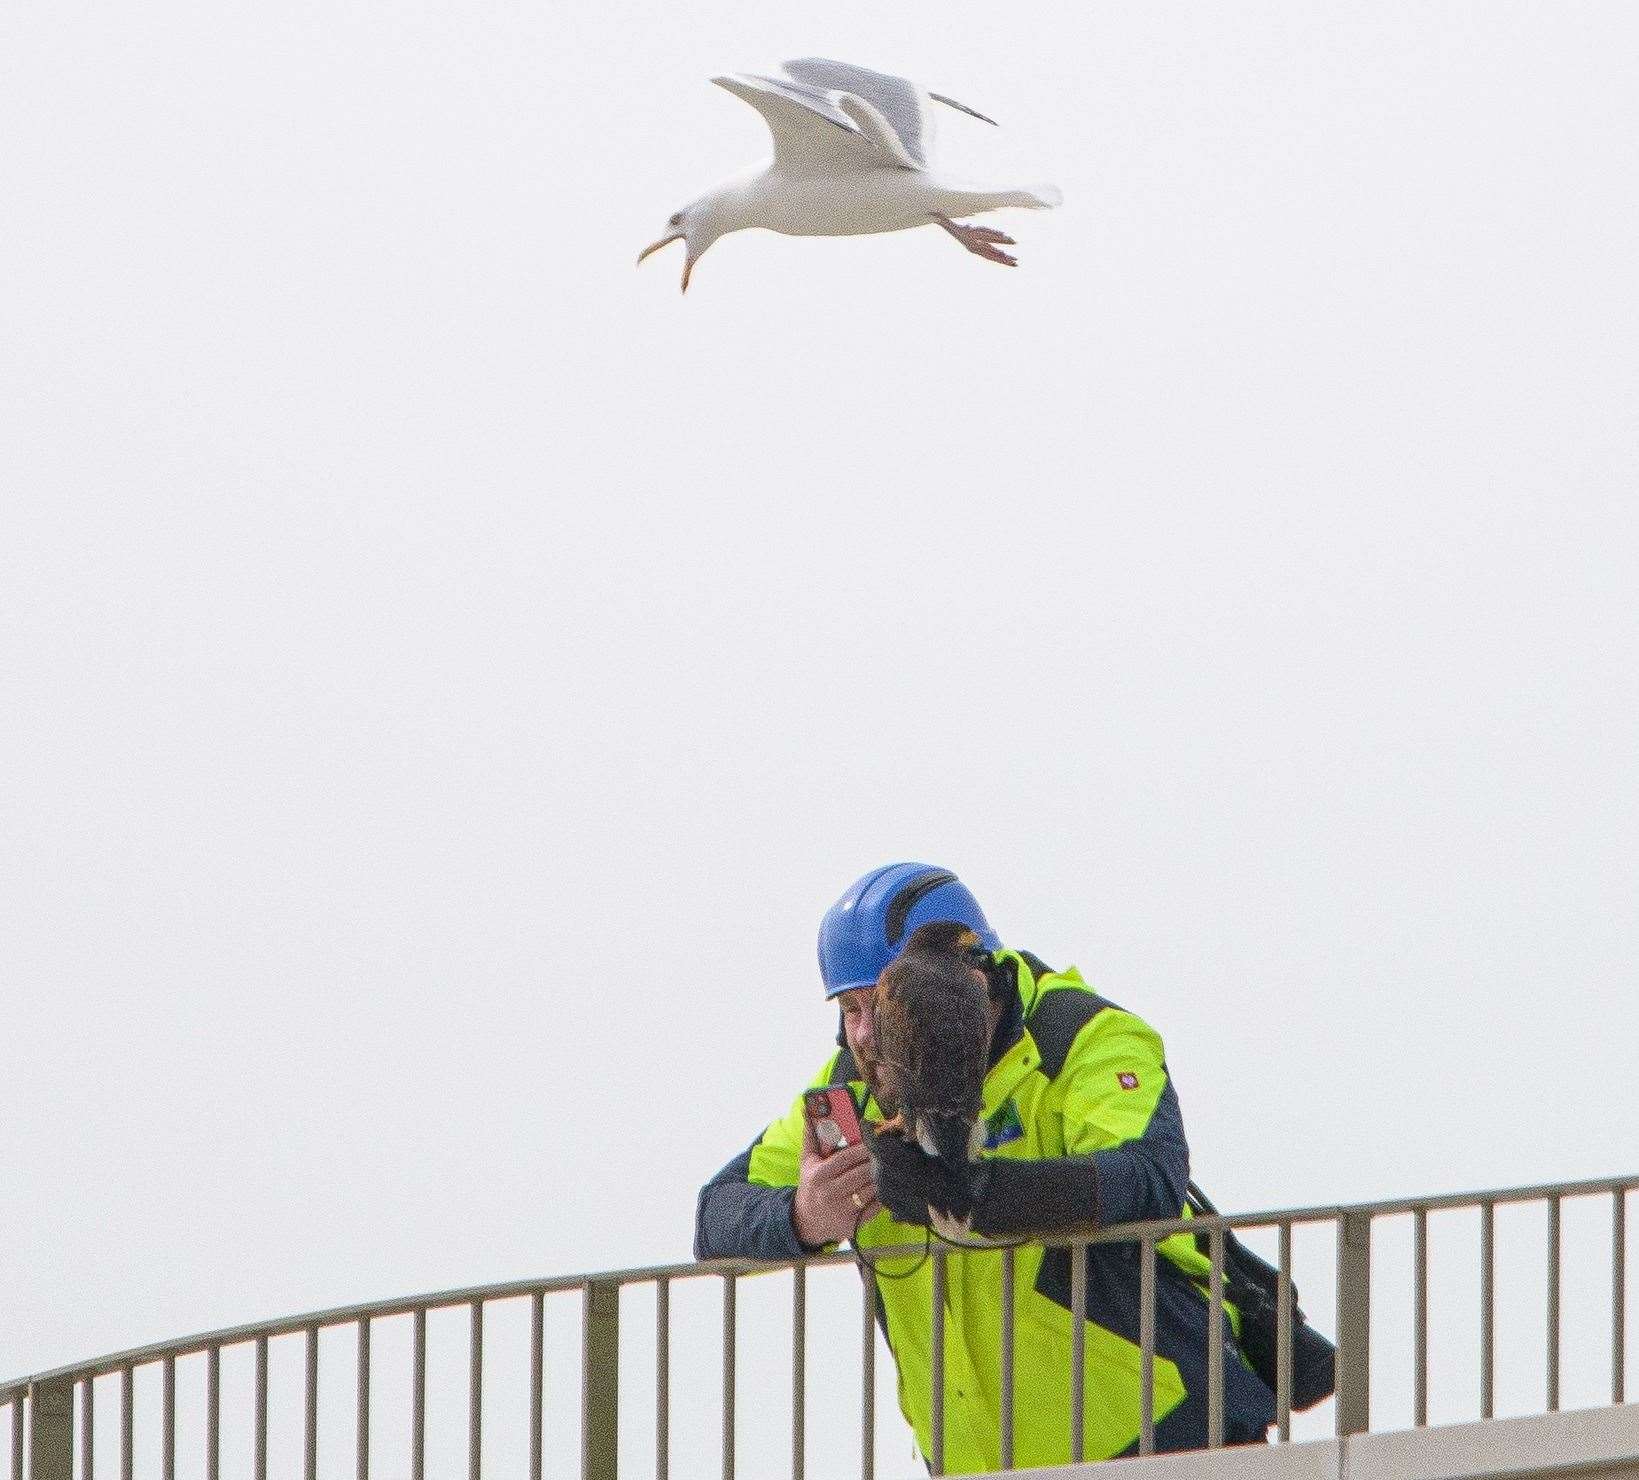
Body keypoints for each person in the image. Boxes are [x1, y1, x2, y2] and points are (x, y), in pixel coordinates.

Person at [694, 862, 1275, 1471]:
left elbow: (1147, 1179)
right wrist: (804, 1214)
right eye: (850, 1009)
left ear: (967, 984)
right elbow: (717, 1214)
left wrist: (973, 1199)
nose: (864, 1035)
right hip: (974, 1463)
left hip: (1165, 1435)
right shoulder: (853, 1089)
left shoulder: (1082, 1039)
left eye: (884, 1005)